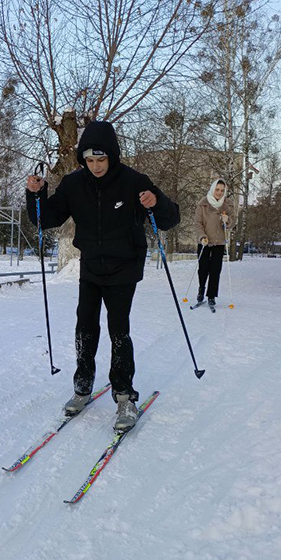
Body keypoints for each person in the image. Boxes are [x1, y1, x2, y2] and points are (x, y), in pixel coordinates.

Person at [26, 120, 180, 432]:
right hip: (91, 267)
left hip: (124, 267)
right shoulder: (73, 184)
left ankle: (124, 396)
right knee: (85, 327)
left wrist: (156, 201)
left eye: (101, 159)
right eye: (90, 160)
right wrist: (37, 194)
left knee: (118, 331)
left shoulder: (134, 181)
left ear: (112, 156)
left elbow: (169, 218)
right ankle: (82, 386)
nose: (95, 166)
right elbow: (47, 218)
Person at [194, 178, 233, 307]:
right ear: (212, 189)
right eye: (217, 189)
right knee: (203, 269)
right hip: (204, 241)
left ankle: (211, 296)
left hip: (219, 242)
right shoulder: (202, 204)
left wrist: (227, 220)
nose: (219, 193)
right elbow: (198, 223)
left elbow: (232, 224)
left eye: (222, 190)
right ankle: (201, 290)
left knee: (215, 270)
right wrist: (202, 236)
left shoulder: (226, 205)